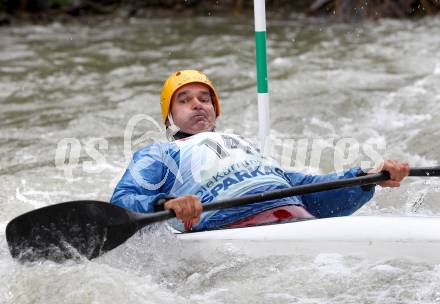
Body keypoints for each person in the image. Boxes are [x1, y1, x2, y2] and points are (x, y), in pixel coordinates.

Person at [111, 70, 409, 232]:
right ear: (169, 117)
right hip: (229, 227)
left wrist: (364, 177)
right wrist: (167, 203)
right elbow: (122, 200)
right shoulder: (160, 152)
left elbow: (302, 188)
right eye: (184, 100)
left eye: (205, 98)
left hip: (297, 217)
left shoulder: (242, 144)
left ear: (215, 110)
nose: (198, 104)